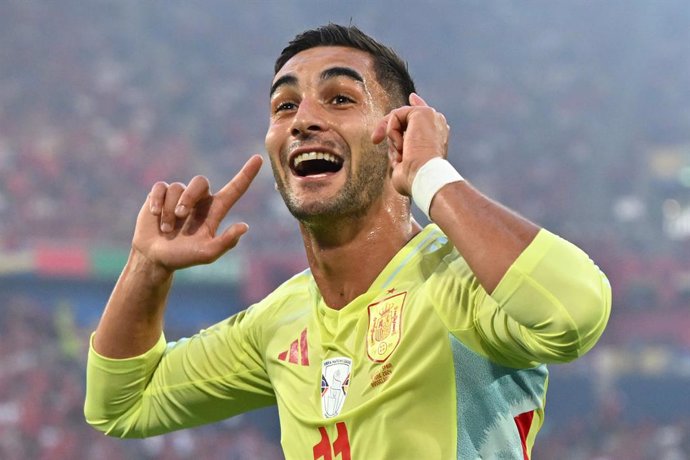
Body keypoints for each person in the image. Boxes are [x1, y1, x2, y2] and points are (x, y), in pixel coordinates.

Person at [84, 24, 611, 459]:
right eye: (284, 106)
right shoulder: (279, 320)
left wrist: (429, 173)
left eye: (339, 99)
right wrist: (146, 268)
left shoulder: (461, 283)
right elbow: (121, 405)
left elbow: (576, 311)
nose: (303, 121)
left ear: (397, 135)